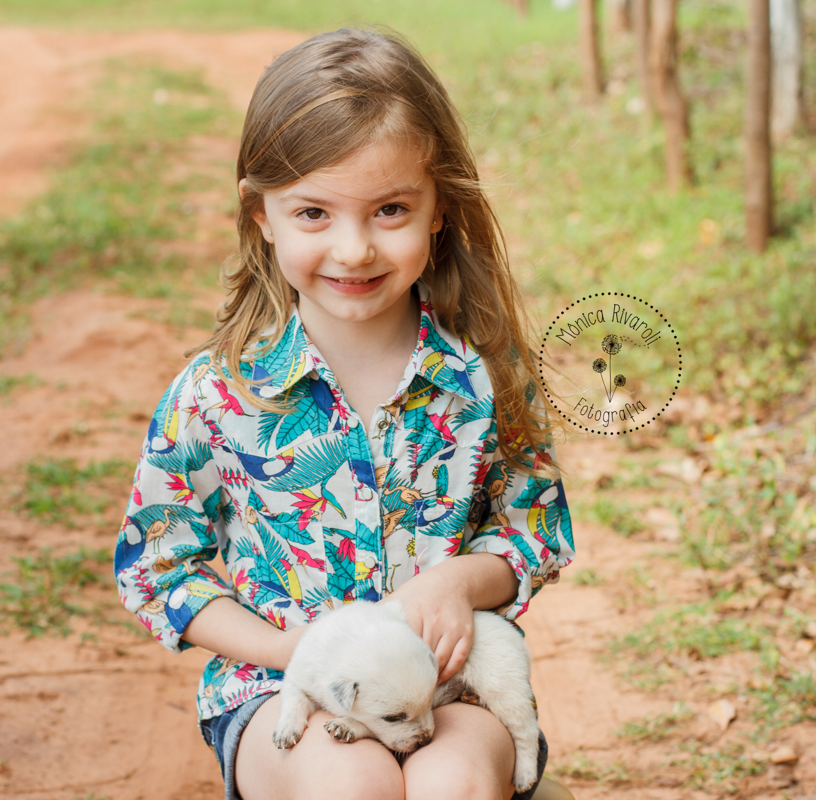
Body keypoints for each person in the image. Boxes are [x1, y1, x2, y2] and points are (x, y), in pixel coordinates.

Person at [114, 26, 576, 800]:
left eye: (390, 209)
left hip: (447, 688)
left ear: (438, 209)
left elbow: (535, 531)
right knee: (352, 784)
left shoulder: (483, 377)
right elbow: (159, 568)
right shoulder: (219, 393)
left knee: (455, 783)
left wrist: (459, 583)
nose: (354, 249)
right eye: (313, 213)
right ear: (261, 214)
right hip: (278, 691)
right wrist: (293, 650)